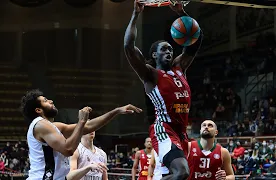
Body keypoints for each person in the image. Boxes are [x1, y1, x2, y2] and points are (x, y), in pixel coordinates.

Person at [124, 1, 203, 179]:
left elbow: (195, 41)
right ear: (154, 55)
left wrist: (181, 12)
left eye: (171, 49)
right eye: (164, 49)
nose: (169, 52)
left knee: (176, 176)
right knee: (181, 172)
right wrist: (136, 14)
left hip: (182, 133)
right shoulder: (150, 74)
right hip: (164, 129)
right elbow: (128, 47)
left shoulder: (179, 68)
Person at [20, 89, 142, 180]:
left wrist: (116, 111)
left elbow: (88, 127)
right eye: (45, 101)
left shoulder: (53, 126)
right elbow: (68, 149)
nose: (51, 101)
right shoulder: (40, 125)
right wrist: (82, 121)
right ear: (38, 110)